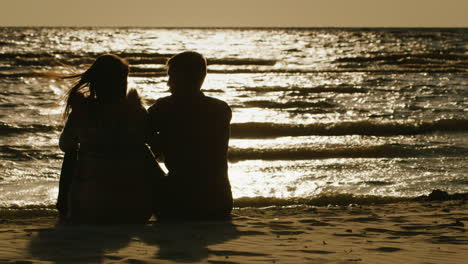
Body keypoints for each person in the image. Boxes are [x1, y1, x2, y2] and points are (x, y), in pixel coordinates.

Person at [57, 54, 163, 224]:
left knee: (71, 154)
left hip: (88, 210)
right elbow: (158, 149)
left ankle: (63, 210)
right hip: (135, 210)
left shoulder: (82, 111)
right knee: (142, 150)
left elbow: (65, 144)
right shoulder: (136, 111)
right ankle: (164, 204)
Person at [148, 51, 233, 220]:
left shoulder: (166, 106)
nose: (168, 83)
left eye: (171, 76)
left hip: (180, 203)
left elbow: (139, 131)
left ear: (181, 78)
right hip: (220, 202)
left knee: (139, 152)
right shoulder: (220, 108)